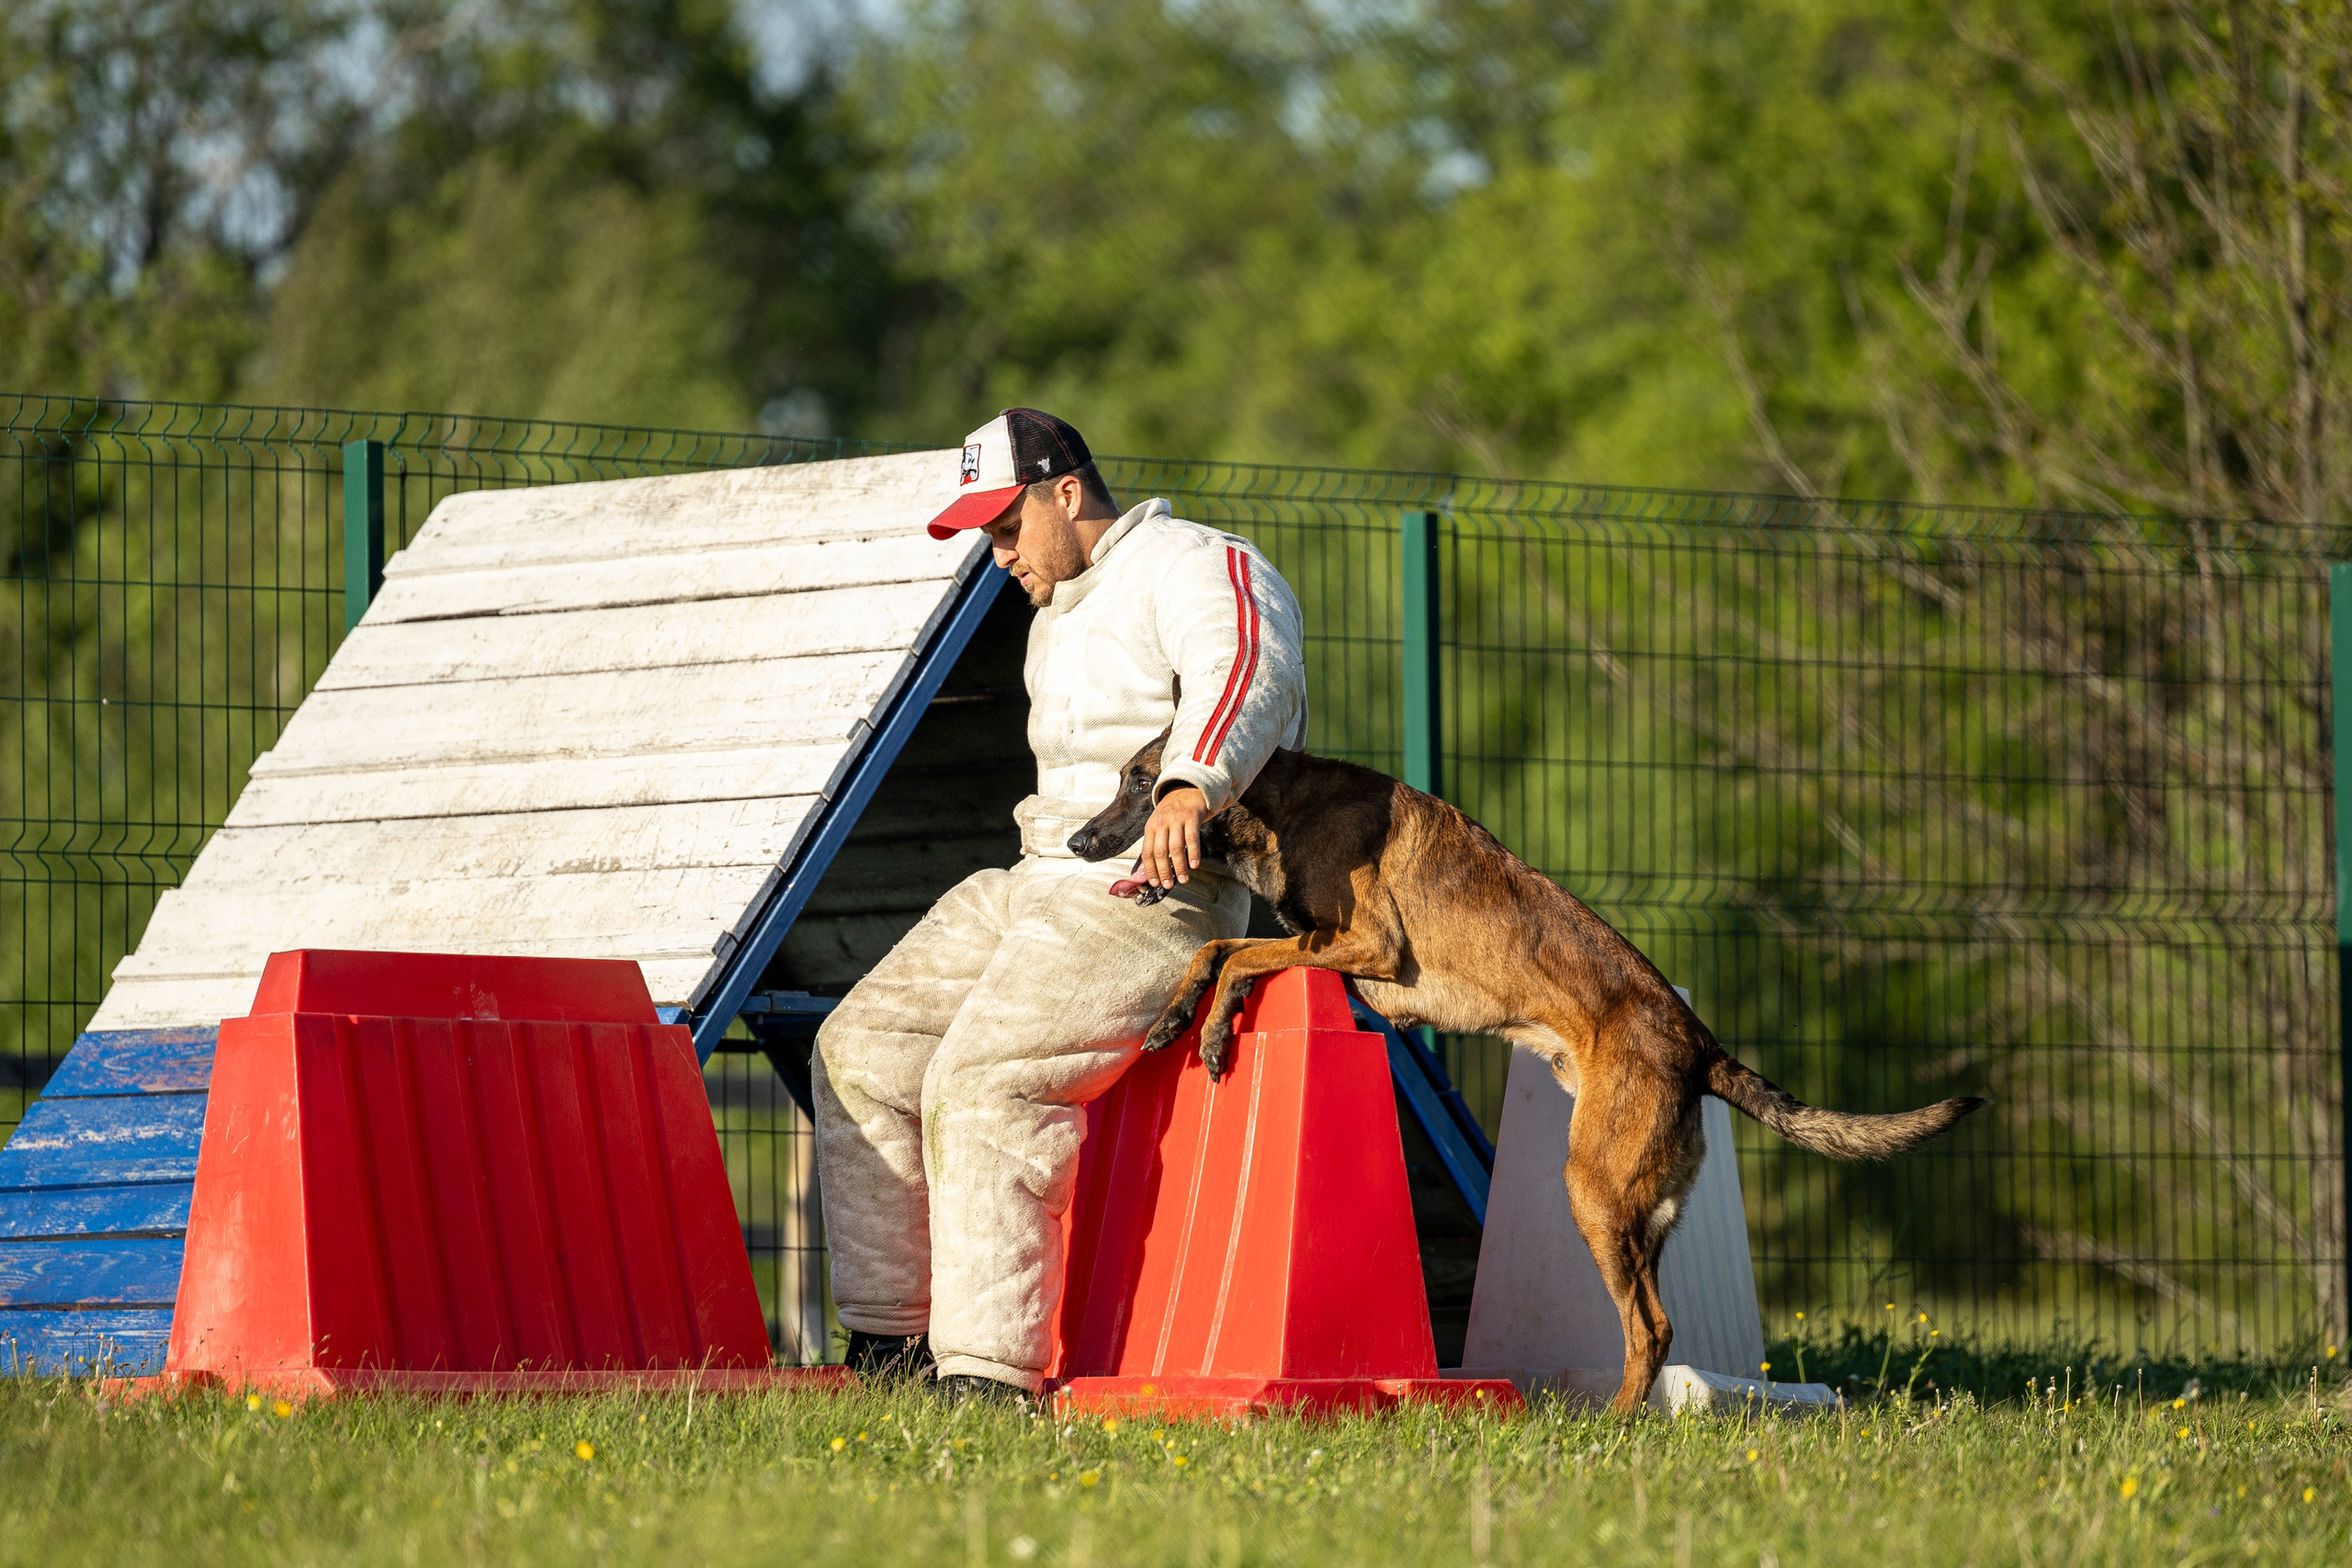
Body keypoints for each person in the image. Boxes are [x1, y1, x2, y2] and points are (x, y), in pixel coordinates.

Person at [810, 407, 1308, 1403]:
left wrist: (1192, 783)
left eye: (1007, 528)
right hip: (1037, 879)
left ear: (1067, 493)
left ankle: (987, 1377)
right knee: (858, 1049)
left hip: (1155, 890)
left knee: (982, 1081)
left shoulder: (1195, 562)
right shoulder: (1055, 611)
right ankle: (890, 1347)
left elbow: (1249, 665)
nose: (998, 556)